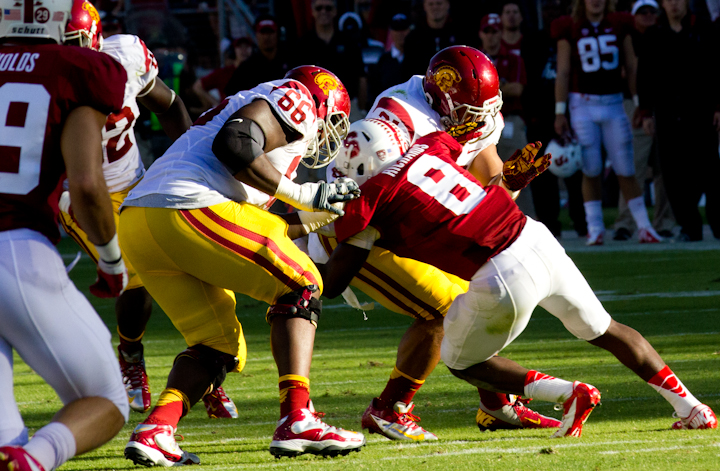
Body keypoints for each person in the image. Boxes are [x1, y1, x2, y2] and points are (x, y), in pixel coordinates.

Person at [323, 120, 718, 438]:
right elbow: (459, 193)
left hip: (500, 271)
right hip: (534, 236)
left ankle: (567, 392)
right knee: (605, 329)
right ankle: (693, 408)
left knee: (461, 360)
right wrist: (508, 182)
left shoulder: (372, 193)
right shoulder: (429, 146)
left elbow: (337, 280)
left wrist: (293, 272)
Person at [309, 46, 563, 438]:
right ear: (442, 100)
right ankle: (390, 407)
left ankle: (495, 403)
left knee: (486, 286)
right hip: (362, 227)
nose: (480, 121)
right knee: (443, 310)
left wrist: (509, 184)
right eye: (470, 113)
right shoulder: (398, 118)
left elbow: (484, 186)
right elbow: (365, 201)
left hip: (415, 223)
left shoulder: (473, 111)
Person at [118, 65, 365, 465]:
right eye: (332, 123)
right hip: (187, 207)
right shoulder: (296, 96)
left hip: (141, 223)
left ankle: (157, 429)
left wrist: (318, 214)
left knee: (218, 344)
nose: (328, 135)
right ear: (321, 107)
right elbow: (234, 143)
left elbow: (250, 226)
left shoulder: (259, 136)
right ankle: (297, 418)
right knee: (303, 283)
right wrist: (302, 192)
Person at [58, 0, 237, 421]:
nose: (70, 51)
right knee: (134, 274)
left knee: (200, 264)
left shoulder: (126, 55)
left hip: (138, 183)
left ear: (96, 38)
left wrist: (192, 161)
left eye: (76, 42)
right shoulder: (44, 76)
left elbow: (169, 104)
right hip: (78, 193)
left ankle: (207, 370)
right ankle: (131, 357)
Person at [0, 0, 132, 469]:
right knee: (109, 400)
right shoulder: (77, 68)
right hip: (15, 249)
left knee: (3, 436)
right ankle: (36, 459)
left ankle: (20, 454)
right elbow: (89, 187)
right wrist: (112, 261)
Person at [553, 0, 662, 245]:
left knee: (626, 167)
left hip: (614, 103)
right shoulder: (569, 27)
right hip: (582, 103)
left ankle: (644, 227)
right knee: (590, 168)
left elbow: (631, 67)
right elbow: (563, 71)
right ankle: (595, 227)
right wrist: (560, 111)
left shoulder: (618, 24)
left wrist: (638, 102)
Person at [637, 0, 720, 241]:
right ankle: (689, 226)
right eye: (669, 0)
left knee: (710, 170)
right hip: (667, 112)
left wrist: (717, 106)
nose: (674, 4)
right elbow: (645, 75)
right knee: (674, 173)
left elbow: (716, 68)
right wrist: (645, 112)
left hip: (700, 111)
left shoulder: (704, 30)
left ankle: (717, 223)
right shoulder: (654, 34)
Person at [521, 0, 588, 238]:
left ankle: (583, 222)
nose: (551, 12)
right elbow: (529, 80)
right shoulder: (532, 40)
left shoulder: (572, 37)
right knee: (541, 175)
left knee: (576, 170)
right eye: (547, 7)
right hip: (540, 114)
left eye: (556, 8)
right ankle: (549, 224)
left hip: (570, 111)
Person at [612, 0, 675, 241]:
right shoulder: (628, 37)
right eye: (642, 12)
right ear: (634, 15)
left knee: (665, 167)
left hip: (665, 105)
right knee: (632, 165)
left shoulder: (665, 35)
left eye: (651, 11)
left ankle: (665, 221)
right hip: (633, 105)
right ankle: (626, 222)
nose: (648, 15)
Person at [478, 13, 533, 217]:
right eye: (487, 31)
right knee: (481, 174)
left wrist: (485, 88)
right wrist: (503, 86)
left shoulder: (514, 59)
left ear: (501, 33)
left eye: (495, 31)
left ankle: (526, 219)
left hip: (509, 118)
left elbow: (517, 90)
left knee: (519, 173)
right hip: (481, 122)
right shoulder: (475, 58)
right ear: (480, 34)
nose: (491, 36)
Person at [296, 0, 367, 118]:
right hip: (312, 109)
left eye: (328, 8)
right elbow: (296, 80)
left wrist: (362, 109)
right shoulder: (303, 44)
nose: (324, 12)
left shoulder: (349, 42)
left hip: (348, 107)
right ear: (312, 12)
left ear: (335, 11)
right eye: (319, 8)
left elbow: (362, 78)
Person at [224, 16, 293, 97]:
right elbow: (230, 94)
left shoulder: (291, 60)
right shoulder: (247, 67)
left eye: (270, 32)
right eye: (262, 32)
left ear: (278, 34)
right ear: (256, 35)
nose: (266, 37)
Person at [402, 0, 468, 77]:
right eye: (431, 4)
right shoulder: (413, 38)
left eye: (439, 3)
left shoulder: (462, 34)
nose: (435, 7)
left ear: (448, 5)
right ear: (424, 6)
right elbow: (408, 72)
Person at [192, 37, 253, 110]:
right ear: (233, 51)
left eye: (247, 47)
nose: (244, 50)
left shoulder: (258, 71)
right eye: (240, 47)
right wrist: (216, 103)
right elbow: (197, 86)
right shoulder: (223, 72)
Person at [368, 13, 412, 105]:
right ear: (391, 32)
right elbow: (374, 90)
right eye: (396, 29)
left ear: (409, 30)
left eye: (403, 29)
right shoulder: (382, 61)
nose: (400, 33)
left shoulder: (418, 59)